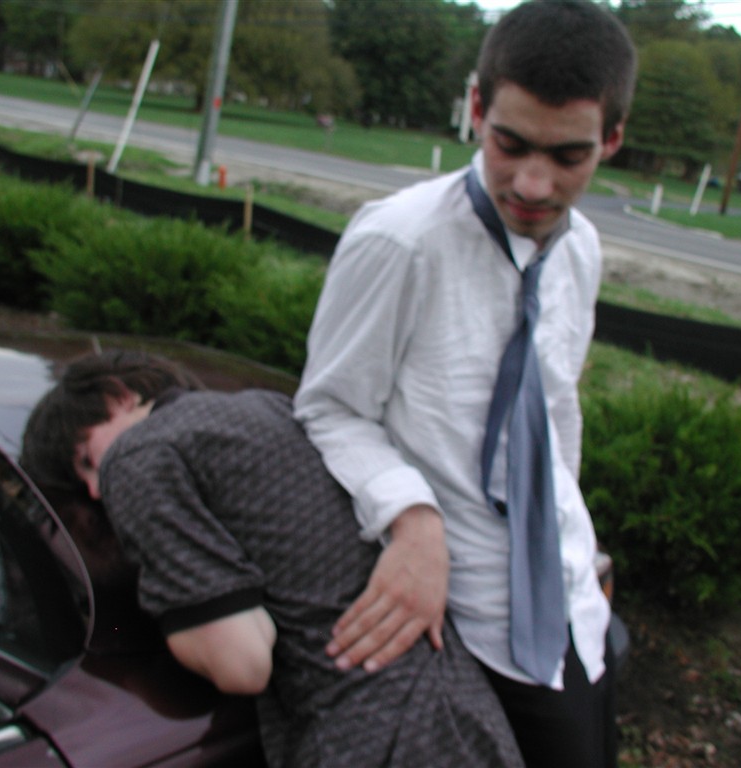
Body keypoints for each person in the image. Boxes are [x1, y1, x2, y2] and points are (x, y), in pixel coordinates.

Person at [293, 2, 637, 766]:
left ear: (612, 139)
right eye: (509, 144)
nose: (534, 183)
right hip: (465, 618)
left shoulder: (581, 249)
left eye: (570, 156)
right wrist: (413, 519)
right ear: (476, 108)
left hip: (571, 598)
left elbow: (554, 405)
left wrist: (573, 532)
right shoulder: (400, 240)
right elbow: (329, 407)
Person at [20, 351, 524, 768]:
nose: (96, 489)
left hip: (370, 741)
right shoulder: (269, 407)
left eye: (87, 458)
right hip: (465, 716)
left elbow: (242, 665)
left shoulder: (136, 458)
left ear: (118, 395)